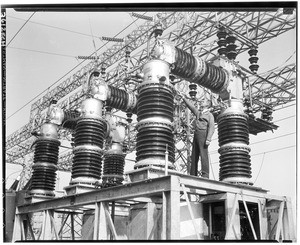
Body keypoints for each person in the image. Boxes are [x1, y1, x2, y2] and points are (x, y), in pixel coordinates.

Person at [178, 92, 215, 178]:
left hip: (203, 134)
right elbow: (191, 107)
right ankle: (193, 174)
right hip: (196, 134)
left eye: (203, 101)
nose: (201, 102)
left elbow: (212, 127)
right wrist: (184, 98)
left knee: (203, 155)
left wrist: (208, 139)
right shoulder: (199, 113)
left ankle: (205, 175)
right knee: (194, 155)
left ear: (207, 105)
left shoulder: (209, 115)